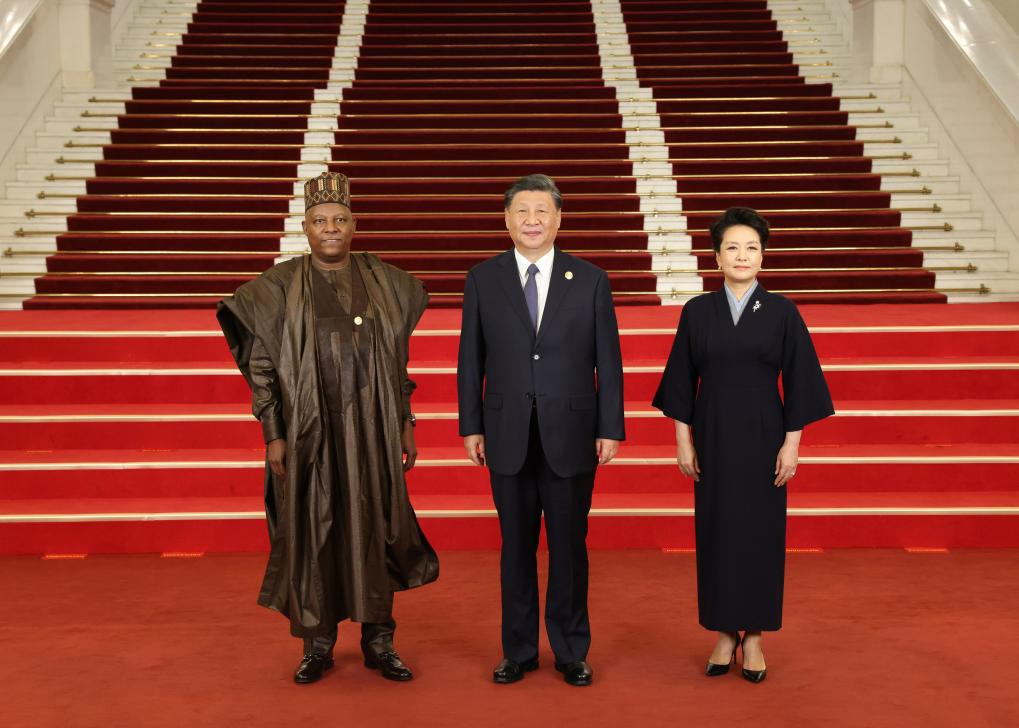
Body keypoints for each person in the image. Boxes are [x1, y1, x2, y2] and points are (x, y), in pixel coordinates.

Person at [217, 172, 439, 685]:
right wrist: (273, 432)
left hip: (373, 429)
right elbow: (262, 366)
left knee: (378, 526)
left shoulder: (386, 281)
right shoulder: (279, 287)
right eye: (320, 220)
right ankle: (317, 645)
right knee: (313, 530)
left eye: (340, 219)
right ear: (306, 228)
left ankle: (379, 641)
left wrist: (405, 422)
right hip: (308, 432)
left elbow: (397, 360)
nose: (331, 228)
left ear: (355, 224)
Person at [652, 207, 834, 684]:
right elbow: (679, 382)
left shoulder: (782, 312)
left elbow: (801, 382)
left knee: (759, 535)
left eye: (752, 247)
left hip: (763, 438)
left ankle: (753, 635)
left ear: (763, 257)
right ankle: (723, 632)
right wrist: (683, 441)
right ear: (716, 257)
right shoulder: (697, 312)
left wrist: (792, 445)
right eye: (732, 247)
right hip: (712, 438)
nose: (742, 255)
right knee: (717, 533)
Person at [456, 174, 625, 687]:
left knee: (569, 547)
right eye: (522, 211)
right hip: (505, 430)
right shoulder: (483, 279)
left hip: (572, 432)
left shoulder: (590, 279)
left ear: (558, 219)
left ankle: (571, 649)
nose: (532, 220)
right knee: (516, 548)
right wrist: (471, 424)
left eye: (542, 211)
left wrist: (610, 426)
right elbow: (470, 359)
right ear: (507, 220)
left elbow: (608, 361)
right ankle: (519, 651)